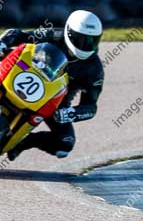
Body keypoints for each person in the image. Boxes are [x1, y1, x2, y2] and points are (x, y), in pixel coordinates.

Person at [0, 10, 104, 160]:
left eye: (92, 41)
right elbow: (19, 34)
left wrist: (72, 113)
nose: (87, 45)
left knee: (64, 144)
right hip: (22, 75)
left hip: (54, 103)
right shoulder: (54, 35)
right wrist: (4, 42)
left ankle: (23, 142)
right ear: (69, 32)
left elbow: (91, 106)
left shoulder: (94, 69)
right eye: (82, 39)